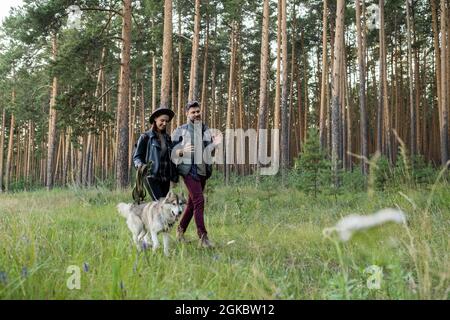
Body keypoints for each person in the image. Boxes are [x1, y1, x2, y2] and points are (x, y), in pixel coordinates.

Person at [171, 100, 222, 248]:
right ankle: (203, 237)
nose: (196, 114)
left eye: (198, 111)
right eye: (193, 112)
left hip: (202, 171)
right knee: (199, 201)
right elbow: (172, 152)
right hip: (188, 170)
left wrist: (215, 144)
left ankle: (180, 232)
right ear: (187, 114)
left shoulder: (206, 130)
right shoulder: (180, 131)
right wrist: (182, 151)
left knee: (192, 204)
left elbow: (208, 149)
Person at [133, 106, 179, 201]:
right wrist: (141, 166)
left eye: (166, 121)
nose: (164, 123)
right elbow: (137, 157)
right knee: (159, 202)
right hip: (151, 176)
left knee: (164, 204)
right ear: (155, 119)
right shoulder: (145, 137)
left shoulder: (167, 138)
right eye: (162, 120)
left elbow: (170, 158)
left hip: (165, 178)